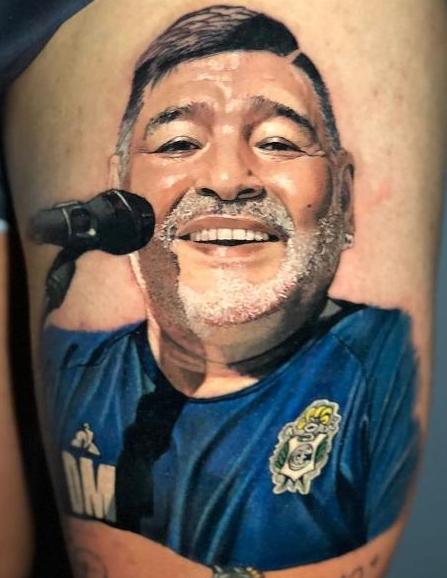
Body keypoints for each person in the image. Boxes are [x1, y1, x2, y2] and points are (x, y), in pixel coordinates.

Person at [3, 1, 446, 577]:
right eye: (178, 144)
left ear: (343, 192)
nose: (228, 180)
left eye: (279, 142)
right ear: (119, 189)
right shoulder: (74, 362)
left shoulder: (377, 369)